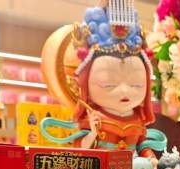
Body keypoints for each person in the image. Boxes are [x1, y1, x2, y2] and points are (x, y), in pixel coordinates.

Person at [40, 1, 166, 158]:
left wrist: (150, 159)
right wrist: (92, 133)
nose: (125, 90)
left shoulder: (137, 119)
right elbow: (81, 148)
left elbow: (142, 146)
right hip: (102, 168)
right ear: (85, 83)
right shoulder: (94, 118)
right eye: (109, 84)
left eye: (136, 85)